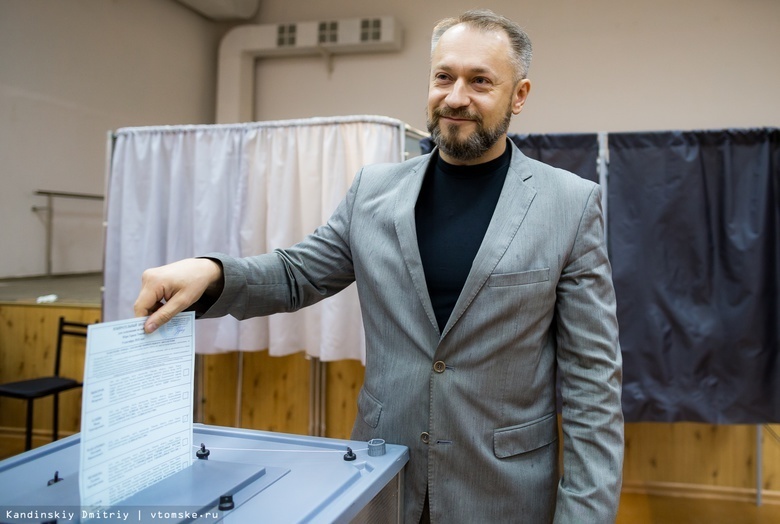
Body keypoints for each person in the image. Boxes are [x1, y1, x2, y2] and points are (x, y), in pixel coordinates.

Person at [134, 9, 623, 523]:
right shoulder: (374, 192)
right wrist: (212, 273)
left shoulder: (569, 205)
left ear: (519, 95)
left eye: (480, 81)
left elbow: (593, 385)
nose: (456, 97)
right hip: (385, 481)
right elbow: (297, 274)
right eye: (444, 77)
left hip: (503, 493)